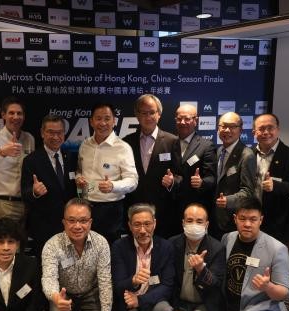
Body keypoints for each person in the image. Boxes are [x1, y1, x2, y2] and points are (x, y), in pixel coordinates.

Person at [210, 197, 289, 311]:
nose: (247, 224)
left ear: (261, 220)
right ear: (235, 219)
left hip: (263, 309)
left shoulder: (277, 248)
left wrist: (268, 286)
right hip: (233, 310)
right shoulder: (227, 238)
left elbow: (284, 293)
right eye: (242, 218)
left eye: (253, 219)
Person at [41, 198, 112, 311]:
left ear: (90, 222)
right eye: (71, 220)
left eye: (83, 220)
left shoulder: (101, 243)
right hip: (63, 293)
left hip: (90, 291)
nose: (77, 226)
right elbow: (48, 278)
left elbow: (105, 280)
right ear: (64, 222)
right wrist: (56, 297)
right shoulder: (52, 245)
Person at [108, 203, 175, 311]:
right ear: (130, 226)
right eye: (137, 224)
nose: (143, 230)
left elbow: (167, 286)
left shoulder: (165, 247)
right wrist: (133, 281)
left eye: (147, 224)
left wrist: (140, 300)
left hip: (153, 303)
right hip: (128, 308)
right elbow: (118, 286)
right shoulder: (119, 247)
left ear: (155, 223)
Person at [76, 103, 138, 244]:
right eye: (98, 118)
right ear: (91, 121)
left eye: (107, 118)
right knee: (85, 247)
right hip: (85, 205)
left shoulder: (123, 148)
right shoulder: (85, 145)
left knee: (109, 249)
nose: (103, 123)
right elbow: (79, 170)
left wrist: (113, 186)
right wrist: (79, 178)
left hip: (111, 209)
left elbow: (133, 180)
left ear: (114, 121)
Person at [168, 203, 226, 311]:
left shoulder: (217, 248)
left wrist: (201, 270)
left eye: (199, 221)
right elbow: (170, 281)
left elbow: (216, 283)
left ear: (207, 224)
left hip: (204, 304)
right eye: (189, 220)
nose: (194, 225)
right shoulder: (172, 244)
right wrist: (175, 310)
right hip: (181, 304)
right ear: (183, 223)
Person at [123, 94, 179, 238]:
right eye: (144, 113)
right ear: (137, 115)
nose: (148, 117)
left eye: (152, 112)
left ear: (159, 114)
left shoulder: (172, 141)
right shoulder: (126, 142)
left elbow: (180, 175)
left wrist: (172, 181)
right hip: (134, 208)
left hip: (162, 211)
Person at [21, 115, 77, 256]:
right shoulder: (31, 160)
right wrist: (34, 192)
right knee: (46, 264)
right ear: (42, 133)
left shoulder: (71, 157)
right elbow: (25, 193)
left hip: (69, 224)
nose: (55, 137)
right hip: (44, 226)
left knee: (69, 263)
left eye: (59, 132)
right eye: (51, 132)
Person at [252, 113, 289, 244]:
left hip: (277, 222)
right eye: (261, 129)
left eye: (270, 128)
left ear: (277, 130)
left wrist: (276, 185)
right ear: (254, 132)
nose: (266, 132)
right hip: (250, 218)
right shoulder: (248, 154)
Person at [164, 104, 216, 224]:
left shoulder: (206, 146)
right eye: (179, 119)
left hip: (195, 207)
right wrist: (170, 181)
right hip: (171, 207)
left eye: (187, 119)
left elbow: (211, 177)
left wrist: (201, 182)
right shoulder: (169, 143)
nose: (182, 122)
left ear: (195, 120)